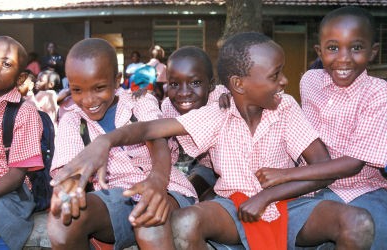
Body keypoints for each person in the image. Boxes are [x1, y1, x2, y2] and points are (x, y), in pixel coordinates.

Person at [51, 32, 374, 250]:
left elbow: (324, 168)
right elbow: (151, 130)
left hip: (290, 206)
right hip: (232, 206)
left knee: (357, 222)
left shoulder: (286, 108)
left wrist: (270, 193)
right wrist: (103, 143)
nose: (285, 82)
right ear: (240, 84)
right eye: (276, 75)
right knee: (185, 221)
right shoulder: (216, 113)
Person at [47, 38, 197, 250]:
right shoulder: (73, 119)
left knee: (149, 222)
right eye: (77, 90)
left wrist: (157, 181)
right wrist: (70, 184)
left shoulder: (139, 100)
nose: (88, 100)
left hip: (165, 185)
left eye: (99, 88)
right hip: (115, 198)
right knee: (63, 221)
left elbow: (157, 138)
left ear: (117, 81)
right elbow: (70, 165)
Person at [260, 6, 387, 250]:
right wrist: (224, 95)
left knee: (372, 232)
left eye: (357, 47)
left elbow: (353, 164)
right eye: (333, 48)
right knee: (271, 231)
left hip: (363, 190)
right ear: (319, 51)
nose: (344, 57)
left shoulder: (378, 93)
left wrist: (285, 175)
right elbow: (268, 99)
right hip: (309, 189)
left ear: (373, 52)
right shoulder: (310, 81)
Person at [0, 36, 44, 250]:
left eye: (6, 63)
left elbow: (15, 177)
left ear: (20, 79)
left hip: (11, 195)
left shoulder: (23, 112)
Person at [162, 46, 228, 200]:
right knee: (186, 192)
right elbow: (166, 145)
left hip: (238, 172)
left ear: (211, 85)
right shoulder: (168, 106)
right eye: (174, 84)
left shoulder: (222, 97)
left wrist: (232, 98)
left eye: (195, 82)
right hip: (206, 167)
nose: (184, 93)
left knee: (216, 201)